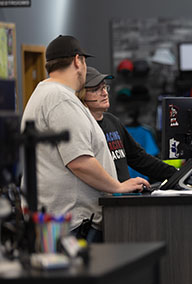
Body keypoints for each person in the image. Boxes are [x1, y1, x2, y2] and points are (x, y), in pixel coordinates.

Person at [21, 35, 149, 242]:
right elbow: (79, 161)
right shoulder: (59, 98)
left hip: (65, 222)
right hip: (74, 224)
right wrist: (118, 186)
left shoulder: (48, 93)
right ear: (77, 61)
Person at [77, 66, 177, 182]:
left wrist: (176, 174)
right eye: (95, 90)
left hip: (123, 196)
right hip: (103, 197)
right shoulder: (82, 127)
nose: (104, 93)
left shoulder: (112, 121)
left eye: (104, 87)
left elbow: (138, 158)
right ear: (81, 95)